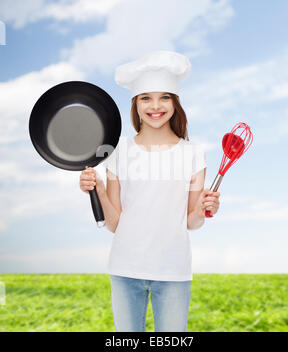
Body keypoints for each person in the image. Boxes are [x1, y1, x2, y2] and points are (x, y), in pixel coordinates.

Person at [79, 50, 220, 332]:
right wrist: (101, 191)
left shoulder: (193, 153)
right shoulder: (119, 151)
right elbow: (115, 224)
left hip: (173, 270)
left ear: (175, 102)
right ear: (136, 103)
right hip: (125, 268)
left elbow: (192, 222)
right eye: (146, 97)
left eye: (164, 97)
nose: (155, 106)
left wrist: (206, 208)